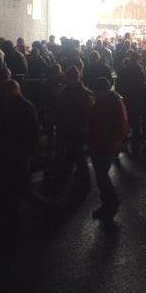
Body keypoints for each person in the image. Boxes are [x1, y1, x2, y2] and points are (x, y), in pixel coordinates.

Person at [88, 77, 128, 220]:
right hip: (100, 143)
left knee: (102, 176)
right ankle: (108, 203)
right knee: (100, 176)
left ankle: (111, 202)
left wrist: (113, 141)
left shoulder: (111, 103)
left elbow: (119, 126)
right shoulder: (108, 101)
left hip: (106, 145)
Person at [55, 67, 95, 201]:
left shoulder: (64, 93)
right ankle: (77, 183)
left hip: (70, 130)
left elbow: (60, 114)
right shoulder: (85, 93)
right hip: (79, 130)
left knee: (74, 156)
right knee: (75, 156)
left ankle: (69, 184)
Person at [0, 79, 40, 198]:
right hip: (18, 147)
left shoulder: (17, 106)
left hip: (19, 148)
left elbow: (32, 130)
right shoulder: (25, 105)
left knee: (21, 179)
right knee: (20, 178)